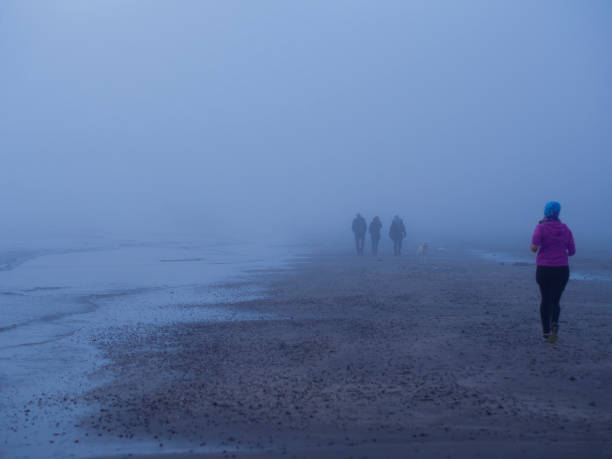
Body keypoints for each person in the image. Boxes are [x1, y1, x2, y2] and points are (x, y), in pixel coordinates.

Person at [530, 201, 575, 343]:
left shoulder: (541, 227)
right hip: (562, 269)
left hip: (544, 269)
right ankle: (554, 322)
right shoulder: (566, 229)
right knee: (555, 300)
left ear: (545, 212)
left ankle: (546, 333)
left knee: (545, 299)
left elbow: (534, 248)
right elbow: (572, 251)